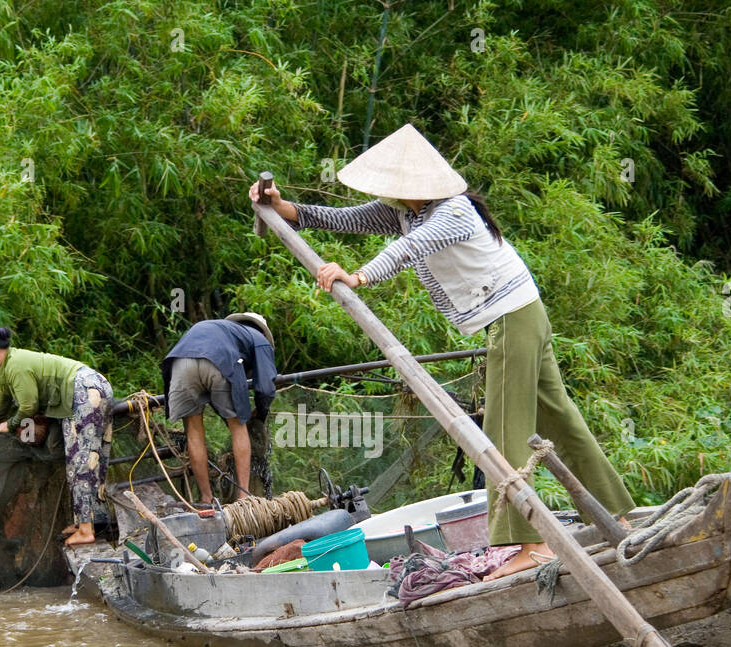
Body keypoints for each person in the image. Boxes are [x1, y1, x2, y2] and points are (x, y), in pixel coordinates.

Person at [248, 123, 635, 580]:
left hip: (512, 318)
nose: (388, 194)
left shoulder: (452, 212)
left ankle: (528, 543)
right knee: (560, 418)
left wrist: (358, 277)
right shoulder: (410, 211)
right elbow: (347, 218)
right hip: (522, 314)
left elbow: (410, 249)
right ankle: (616, 515)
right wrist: (284, 207)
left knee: (504, 432)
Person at [0, 326, 115, 547]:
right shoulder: (7, 371)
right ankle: (89, 523)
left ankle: (86, 530)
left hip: (84, 392)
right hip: (92, 387)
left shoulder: (16, 366)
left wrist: (9, 426)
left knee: (82, 462)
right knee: (93, 458)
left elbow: (29, 406)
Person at [161, 313, 277, 506]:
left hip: (179, 364)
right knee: (238, 427)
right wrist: (259, 415)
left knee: (194, 433)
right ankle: (244, 497)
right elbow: (265, 387)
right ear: (263, 332)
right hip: (219, 361)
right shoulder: (259, 340)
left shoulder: (221, 329)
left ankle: (206, 498)